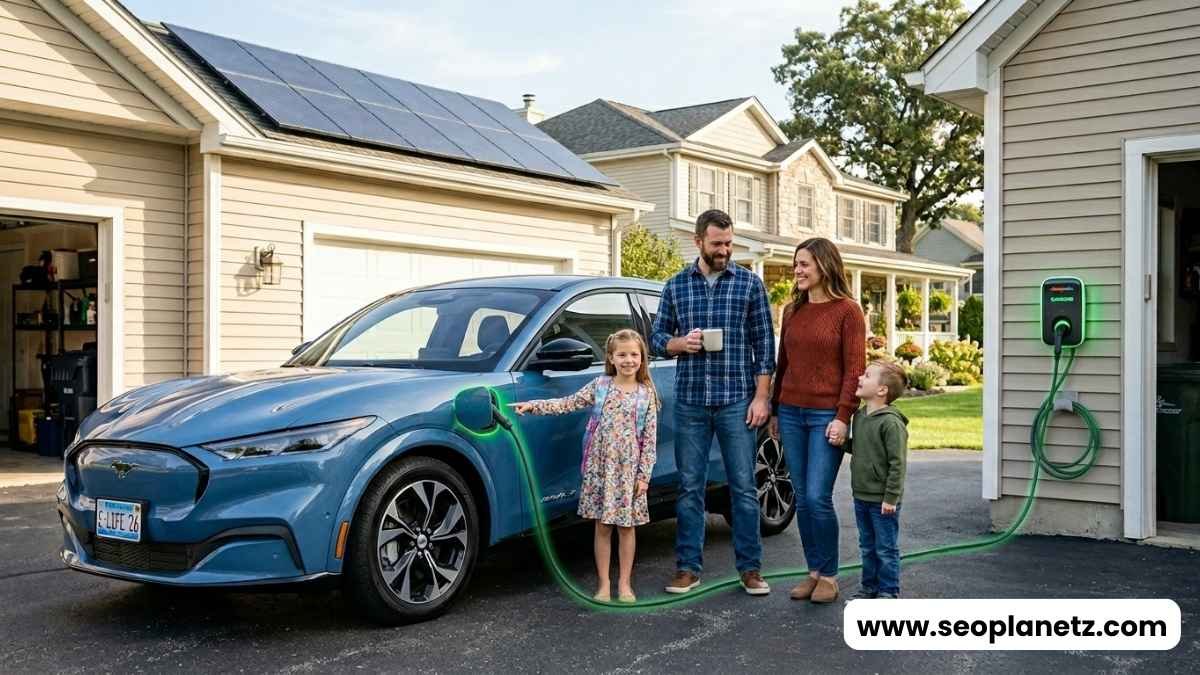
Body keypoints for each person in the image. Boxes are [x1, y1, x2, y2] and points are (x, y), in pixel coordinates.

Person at [650, 208, 775, 596]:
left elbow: (764, 348)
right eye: (717, 243)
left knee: (741, 486)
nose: (725, 250)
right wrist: (679, 344)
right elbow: (655, 339)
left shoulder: (750, 285)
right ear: (699, 241)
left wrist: (761, 398)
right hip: (690, 402)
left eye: (729, 243)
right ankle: (688, 568)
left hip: (736, 400)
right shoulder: (675, 286)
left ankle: (750, 569)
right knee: (690, 487)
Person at [510, 329, 659, 602]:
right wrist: (533, 405)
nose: (628, 360)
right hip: (601, 469)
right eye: (622, 354)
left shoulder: (645, 393)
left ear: (642, 358)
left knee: (627, 528)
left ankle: (625, 584)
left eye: (634, 355)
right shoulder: (601, 386)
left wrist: (644, 476)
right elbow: (568, 403)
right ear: (611, 358)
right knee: (603, 526)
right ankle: (604, 584)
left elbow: (649, 439)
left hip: (628, 473)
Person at [769, 237, 866, 604]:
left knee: (817, 496)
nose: (798, 270)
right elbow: (784, 364)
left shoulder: (848, 311)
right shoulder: (791, 311)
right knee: (803, 500)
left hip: (827, 415)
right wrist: (777, 409)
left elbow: (854, 370)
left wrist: (843, 416)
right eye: (796, 264)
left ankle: (829, 575)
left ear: (825, 265)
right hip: (791, 412)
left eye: (805, 263)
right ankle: (812, 571)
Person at [848, 360, 910, 600]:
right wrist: (842, 441)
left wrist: (891, 498)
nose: (860, 378)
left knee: (885, 548)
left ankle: (888, 591)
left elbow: (897, 464)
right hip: (861, 496)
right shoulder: (860, 416)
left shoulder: (891, 423)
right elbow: (862, 448)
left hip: (883, 501)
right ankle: (869, 587)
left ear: (882, 390)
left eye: (867, 375)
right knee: (867, 546)